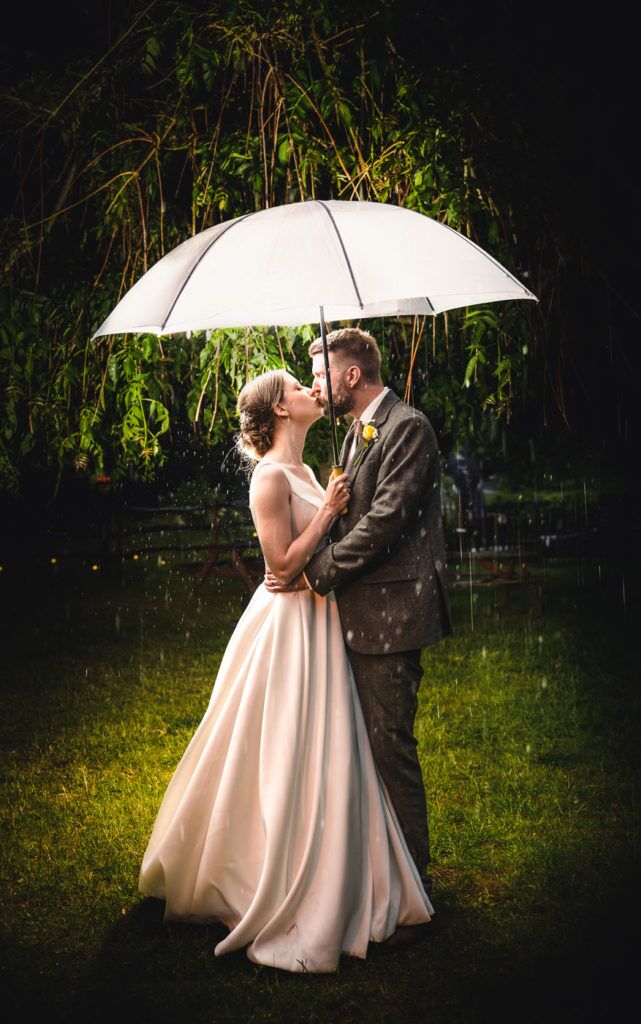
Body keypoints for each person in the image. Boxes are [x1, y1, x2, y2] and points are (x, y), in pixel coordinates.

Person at [138, 369, 433, 973]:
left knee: (333, 747)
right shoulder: (270, 478)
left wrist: (328, 501)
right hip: (289, 627)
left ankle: (342, 863)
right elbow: (280, 565)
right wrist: (326, 512)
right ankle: (265, 867)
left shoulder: (304, 469)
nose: (310, 392)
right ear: (279, 410)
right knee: (284, 746)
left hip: (323, 621)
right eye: (299, 388)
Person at [265, 327, 452, 933]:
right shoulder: (354, 431)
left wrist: (317, 571)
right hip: (356, 615)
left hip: (393, 615)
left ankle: (414, 886)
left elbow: (385, 521)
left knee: (389, 744)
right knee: (364, 748)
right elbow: (348, 517)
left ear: (352, 376)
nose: (315, 384)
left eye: (320, 373)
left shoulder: (408, 428)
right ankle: (379, 873)